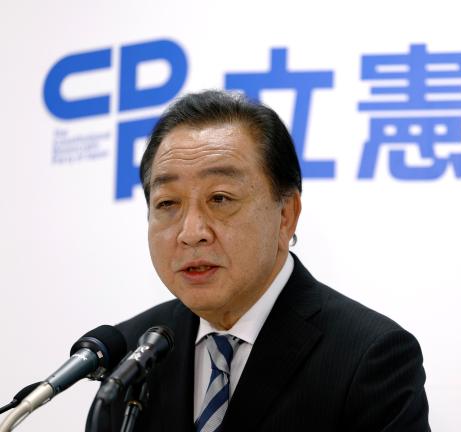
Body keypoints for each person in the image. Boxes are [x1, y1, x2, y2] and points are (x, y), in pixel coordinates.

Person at [92, 89, 430, 431]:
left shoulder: (370, 356)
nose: (191, 232)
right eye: (167, 204)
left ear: (286, 216)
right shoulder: (131, 354)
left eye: (220, 198)